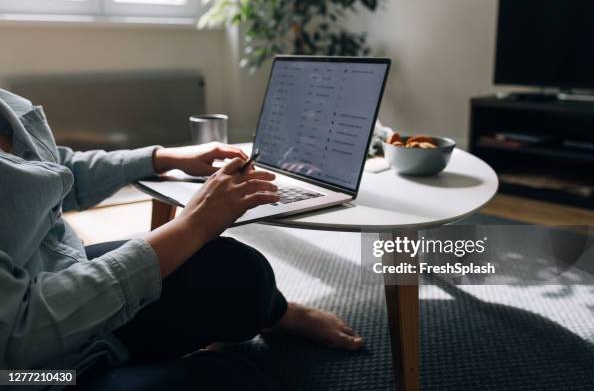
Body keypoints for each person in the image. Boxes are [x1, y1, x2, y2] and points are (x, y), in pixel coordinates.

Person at [0, 89, 363, 391]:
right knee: (234, 381)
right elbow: (20, 333)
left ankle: (276, 315)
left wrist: (163, 158)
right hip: (29, 374)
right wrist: (193, 225)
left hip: (61, 279)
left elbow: (59, 174)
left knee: (239, 271)